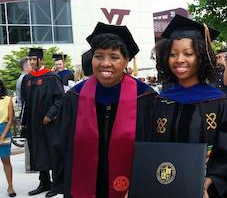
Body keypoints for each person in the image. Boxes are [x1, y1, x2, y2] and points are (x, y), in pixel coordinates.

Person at [51, 22, 158, 198]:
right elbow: (61, 145)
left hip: (131, 188)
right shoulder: (75, 96)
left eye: (114, 57)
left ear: (126, 60)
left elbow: (153, 150)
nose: (105, 63)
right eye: (99, 56)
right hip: (84, 185)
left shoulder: (145, 97)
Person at [151, 15, 227, 198]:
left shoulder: (219, 102)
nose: (179, 59)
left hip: (203, 190)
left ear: (201, 56)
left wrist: (210, 181)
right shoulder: (160, 102)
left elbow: (226, 151)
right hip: (165, 187)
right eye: (173, 54)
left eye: (188, 53)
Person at [21, 48, 65, 197]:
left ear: (41, 60)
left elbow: (60, 99)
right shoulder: (28, 79)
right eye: (30, 59)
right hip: (34, 123)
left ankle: (56, 184)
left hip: (49, 123)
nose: (32, 62)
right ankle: (44, 182)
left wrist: (50, 115)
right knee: (39, 152)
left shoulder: (51, 77)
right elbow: (25, 102)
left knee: (51, 151)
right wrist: (24, 121)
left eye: (34, 59)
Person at [0, 80, 16, 197]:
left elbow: (10, 120)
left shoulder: (7, 100)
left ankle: (10, 187)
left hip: (3, 130)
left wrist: (2, 136)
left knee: (5, 159)